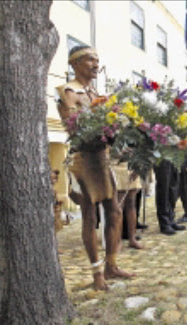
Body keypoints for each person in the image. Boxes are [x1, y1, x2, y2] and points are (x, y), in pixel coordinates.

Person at [56, 45, 135, 290]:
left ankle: (111, 265)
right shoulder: (70, 92)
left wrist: (122, 142)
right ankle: (96, 273)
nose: (95, 64)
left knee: (115, 212)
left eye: (97, 60)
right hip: (84, 161)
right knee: (90, 217)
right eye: (90, 59)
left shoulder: (95, 92)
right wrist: (103, 132)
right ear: (75, 64)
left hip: (103, 159)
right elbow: (73, 129)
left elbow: (108, 126)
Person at [112, 163, 143, 249]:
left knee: (131, 204)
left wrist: (138, 169)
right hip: (116, 167)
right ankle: (118, 241)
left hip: (131, 167)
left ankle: (132, 239)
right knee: (119, 206)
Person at [154, 159, 186, 235]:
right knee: (163, 191)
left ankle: (171, 220)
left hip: (173, 158)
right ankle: (164, 223)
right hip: (161, 158)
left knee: (173, 191)